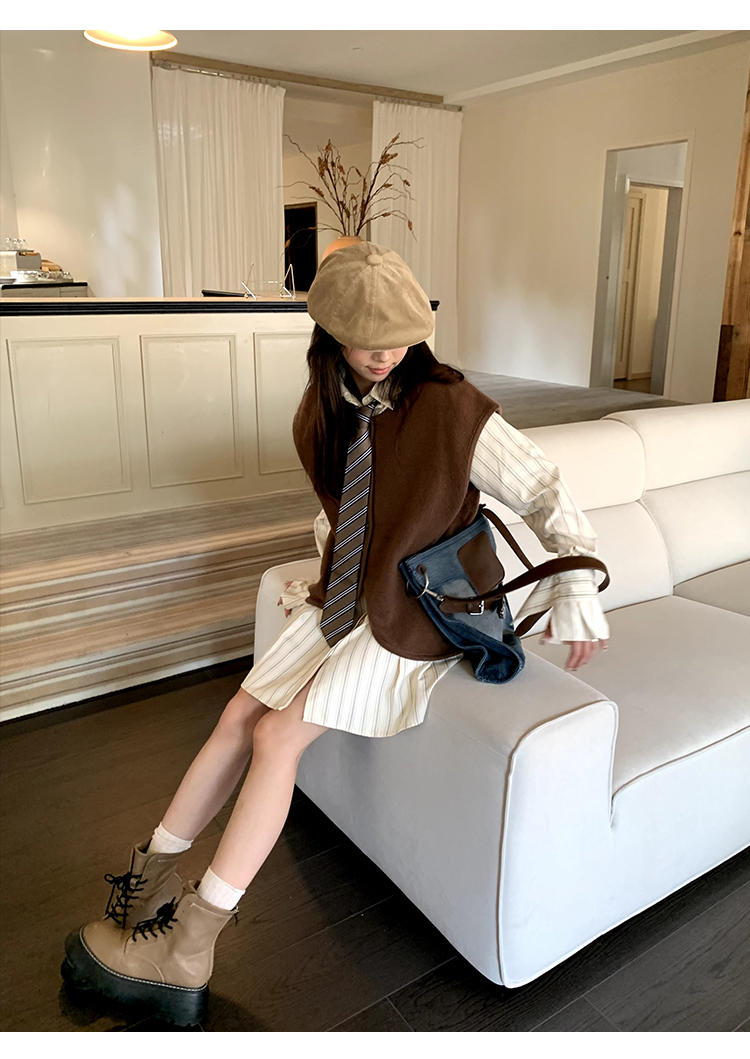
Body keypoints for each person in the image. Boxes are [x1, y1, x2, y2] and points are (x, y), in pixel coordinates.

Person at [61, 242, 610, 1026]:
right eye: (364, 339)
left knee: (277, 735)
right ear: (330, 336)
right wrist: (321, 573)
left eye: (399, 337)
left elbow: (545, 488)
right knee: (237, 714)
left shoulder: (453, 407)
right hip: (353, 595)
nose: (384, 353)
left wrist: (576, 584)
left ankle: (189, 947)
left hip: (428, 609)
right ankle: (146, 884)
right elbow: (349, 508)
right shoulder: (320, 413)